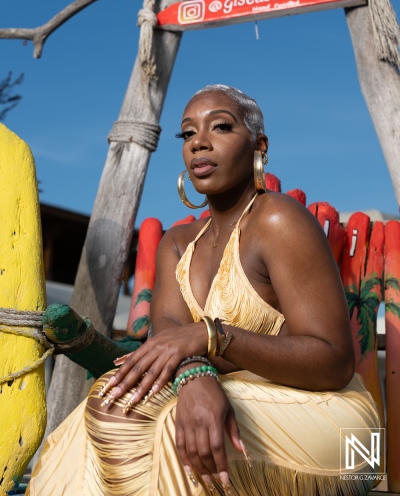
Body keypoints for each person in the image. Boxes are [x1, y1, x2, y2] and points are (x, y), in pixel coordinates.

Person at [28, 85, 380, 496]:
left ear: (258, 145)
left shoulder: (279, 221)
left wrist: (210, 335)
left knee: (164, 426)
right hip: (227, 393)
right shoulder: (176, 245)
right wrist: (196, 374)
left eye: (221, 127)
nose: (199, 143)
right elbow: (169, 339)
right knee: (107, 406)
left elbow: (334, 362)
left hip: (337, 426)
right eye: (188, 133)